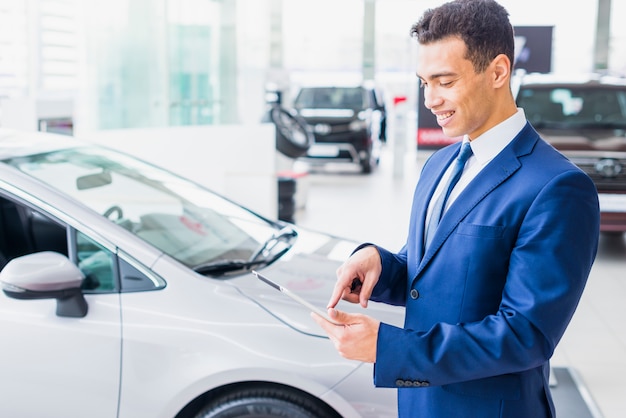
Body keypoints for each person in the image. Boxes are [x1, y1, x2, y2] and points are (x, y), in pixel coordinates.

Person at [310, 0, 600, 417]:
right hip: (420, 403)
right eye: (424, 82)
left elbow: (526, 334)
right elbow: (429, 268)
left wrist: (389, 347)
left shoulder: (557, 187)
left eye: (444, 81)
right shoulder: (440, 164)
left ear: (498, 71)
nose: (430, 99)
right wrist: (381, 264)